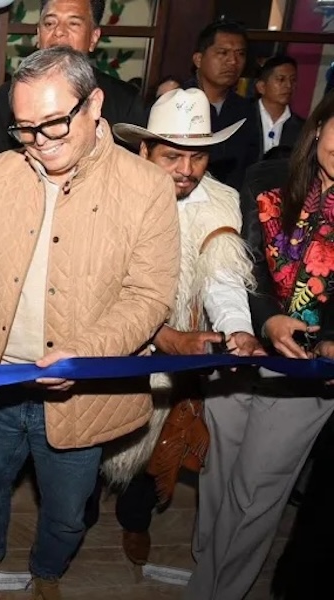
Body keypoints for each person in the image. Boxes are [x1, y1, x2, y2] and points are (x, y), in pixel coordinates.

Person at [0, 47, 179, 600]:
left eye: (53, 123)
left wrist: (83, 354)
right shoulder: (3, 171)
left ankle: (47, 572)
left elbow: (149, 298)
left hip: (80, 394)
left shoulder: (147, 188)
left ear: (95, 104)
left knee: (67, 512)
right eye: (25, 128)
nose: (39, 141)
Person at [186, 87, 334, 600]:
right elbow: (239, 265)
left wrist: (329, 339)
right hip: (242, 348)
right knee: (218, 475)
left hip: (308, 370)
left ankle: (217, 592)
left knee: (257, 492)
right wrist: (267, 319)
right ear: (320, 125)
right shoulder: (263, 178)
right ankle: (205, 568)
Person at [106, 87, 260, 566]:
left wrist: (237, 329)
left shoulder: (220, 201)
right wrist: (155, 334)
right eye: (172, 156)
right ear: (144, 151)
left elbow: (224, 279)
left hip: (183, 348)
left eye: (198, 157)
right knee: (94, 436)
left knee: (157, 438)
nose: (187, 170)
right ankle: (76, 515)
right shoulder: (111, 196)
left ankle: (135, 520)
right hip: (109, 340)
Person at [0, 0, 147, 154]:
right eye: (50, 23)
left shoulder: (125, 101)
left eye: (73, 24)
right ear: (38, 34)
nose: (59, 32)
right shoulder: (8, 98)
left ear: (94, 37)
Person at [183, 19, 261, 191]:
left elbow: (251, 167)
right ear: (198, 59)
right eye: (223, 53)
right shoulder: (178, 102)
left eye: (240, 54)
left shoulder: (246, 110)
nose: (233, 61)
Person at [254, 55, 304, 159]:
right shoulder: (240, 117)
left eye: (293, 80)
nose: (289, 85)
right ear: (261, 87)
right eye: (281, 79)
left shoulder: (302, 128)